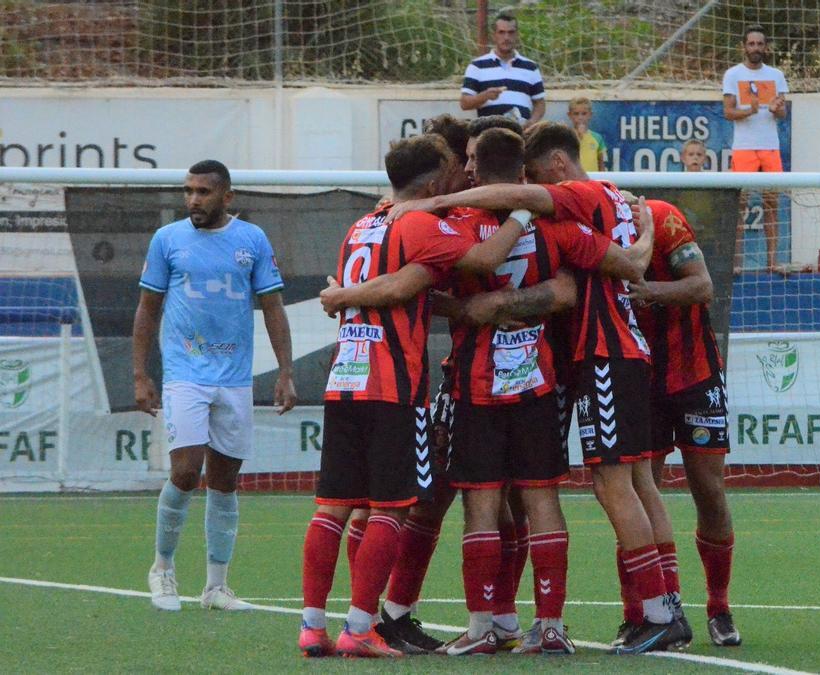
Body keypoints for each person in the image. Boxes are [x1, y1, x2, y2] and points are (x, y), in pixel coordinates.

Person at [386, 121, 690, 655]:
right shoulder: (563, 226)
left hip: (512, 376)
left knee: (489, 500)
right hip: (547, 380)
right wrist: (642, 236)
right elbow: (612, 272)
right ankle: (552, 623)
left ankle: (488, 623)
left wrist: (453, 292)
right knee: (561, 493)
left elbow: (433, 283)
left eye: (473, 161)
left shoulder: (461, 222)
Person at [298, 134, 529, 658]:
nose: (458, 178)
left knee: (331, 507)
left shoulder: (363, 223)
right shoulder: (422, 225)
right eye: (451, 170)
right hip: (391, 382)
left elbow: (411, 283)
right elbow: (485, 256)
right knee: (390, 509)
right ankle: (359, 628)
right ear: (430, 181)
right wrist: (523, 212)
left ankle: (312, 625)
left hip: (345, 378)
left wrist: (344, 296)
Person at [134, 159, 297, 613]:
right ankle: (162, 568)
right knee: (186, 471)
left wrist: (285, 371)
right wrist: (141, 374)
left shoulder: (252, 240)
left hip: (235, 378)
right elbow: (148, 308)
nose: (193, 200)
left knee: (225, 482)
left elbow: (273, 307)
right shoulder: (168, 240)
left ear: (227, 197)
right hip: (186, 373)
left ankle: (216, 587)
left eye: (203, 192)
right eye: (188, 191)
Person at [627, 198, 740, 647]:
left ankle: (719, 607)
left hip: (693, 374)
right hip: (637, 378)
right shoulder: (585, 230)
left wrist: (647, 292)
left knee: (709, 490)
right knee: (637, 491)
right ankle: (643, 613)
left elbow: (702, 286)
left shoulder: (660, 216)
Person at [722, 25, 788, 274]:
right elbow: (728, 112)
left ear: (765, 47)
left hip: (770, 147)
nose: (756, 48)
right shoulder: (733, 74)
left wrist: (776, 109)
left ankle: (772, 262)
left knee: (772, 204)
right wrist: (749, 110)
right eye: (751, 44)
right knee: (740, 205)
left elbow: (782, 112)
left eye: (760, 44)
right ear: (744, 46)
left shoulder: (776, 75)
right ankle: (735, 263)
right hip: (744, 148)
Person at [460, 12, 545, 126]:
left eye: (511, 32)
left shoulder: (531, 67)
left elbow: (540, 103)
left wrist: (532, 122)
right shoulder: (477, 66)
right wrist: (485, 96)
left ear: (517, 35)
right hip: (488, 135)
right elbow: (464, 103)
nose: (506, 37)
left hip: (521, 135)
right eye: (501, 32)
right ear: (494, 35)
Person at [568, 97, 607, 172]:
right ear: (570, 115)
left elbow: (601, 163)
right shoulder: (566, 135)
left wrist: (602, 179)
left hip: (592, 180)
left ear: (590, 115)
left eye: (584, 114)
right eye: (576, 114)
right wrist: (579, 136)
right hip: (574, 179)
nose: (580, 117)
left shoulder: (597, 137)